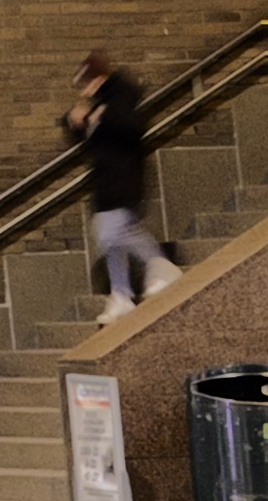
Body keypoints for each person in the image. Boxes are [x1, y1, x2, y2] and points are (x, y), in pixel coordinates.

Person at [67, 54, 184, 320]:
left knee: (110, 234)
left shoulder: (122, 95)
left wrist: (101, 117)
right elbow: (94, 141)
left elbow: (131, 127)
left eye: (87, 84)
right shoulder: (101, 103)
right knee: (113, 242)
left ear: (99, 78)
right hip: (107, 181)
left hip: (125, 179)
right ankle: (120, 294)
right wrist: (77, 123)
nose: (85, 91)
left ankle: (159, 263)